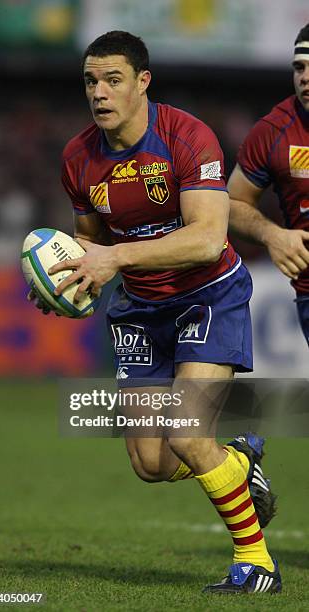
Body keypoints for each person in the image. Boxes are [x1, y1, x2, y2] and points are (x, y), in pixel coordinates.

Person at [31, 31, 280, 594]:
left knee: (189, 436)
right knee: (151, 464)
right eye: (91, 81)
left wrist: (114, 256)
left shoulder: (187, 137)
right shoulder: (77, 158)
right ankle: (238, 461)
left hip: (207, 297)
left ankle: (256, 561)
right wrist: (68, 284)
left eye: (113, 79)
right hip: (141, 311)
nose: (100, 92)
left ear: (143, 82)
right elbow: (88, 241)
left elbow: (209, 239)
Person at [228, 23, 309, 346]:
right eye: (299, 67)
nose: (305, 77)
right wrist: (272, 235)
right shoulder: (274, 131)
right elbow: (231, 206)